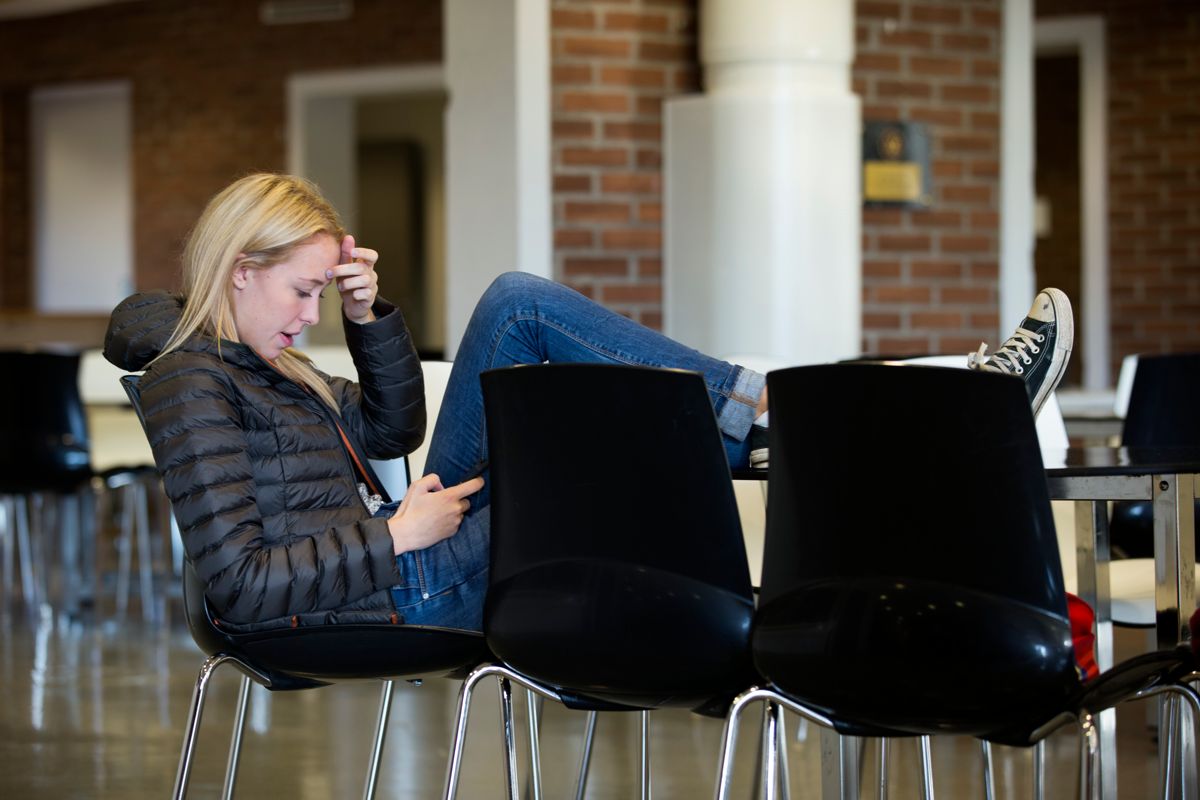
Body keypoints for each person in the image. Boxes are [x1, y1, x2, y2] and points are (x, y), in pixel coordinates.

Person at [103, 172, 1074, 634]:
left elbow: (393, 428)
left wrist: (369, 319)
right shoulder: (194, 378)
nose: (311, 311)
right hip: (393, 587)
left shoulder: (279, 365)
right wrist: (396, 537)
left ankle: (809, 423)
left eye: (327, 292)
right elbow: (236, 583)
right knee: (591, 434)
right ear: (236, 271)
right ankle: (909, 412)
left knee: (527, 318)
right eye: (303, 291)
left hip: (405, 558)